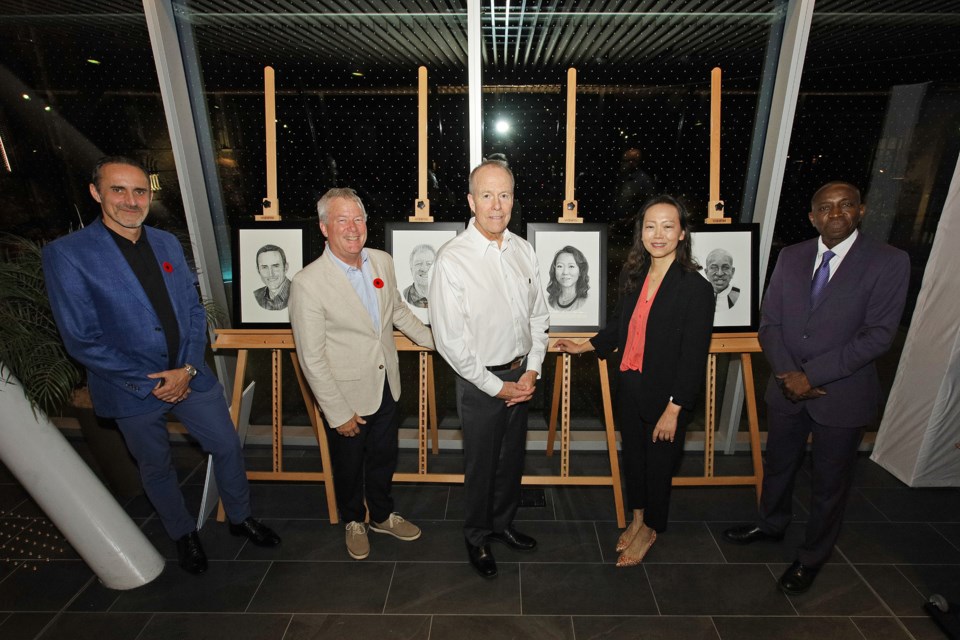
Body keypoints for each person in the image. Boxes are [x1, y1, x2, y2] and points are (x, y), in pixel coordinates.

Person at [43, 156, 281, 575]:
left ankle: (241, 519)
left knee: (226, 445)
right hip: (131, 388)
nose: (131, 201)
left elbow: (192, 311)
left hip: (189, 375)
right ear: (96, 192)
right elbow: (81, 338)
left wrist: (187, 369)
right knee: (156, 465)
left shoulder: (167, 243)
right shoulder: (68, 255)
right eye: (118, 190)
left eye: (140, 191)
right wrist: (148, 381)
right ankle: (183, 534)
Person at [723, 181, 909, 595]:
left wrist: (813, 375)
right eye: (826, 208)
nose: (836, 214)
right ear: (813, 216)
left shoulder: (888, 261)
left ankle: (811, 558)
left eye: (846, 206)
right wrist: (789, 374)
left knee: (829, 483)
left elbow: (878, 335)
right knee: (779, 465)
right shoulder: (792, 256)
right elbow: (769, 323)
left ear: (860, 211)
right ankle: (771, 524)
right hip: (786, 389)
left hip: (840, 395)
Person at [555, 194, 713, 567]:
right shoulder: (634, 274)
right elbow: (621, 326)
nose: (658, 234)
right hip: (631, 384)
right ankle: (638, 518)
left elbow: (693, 358)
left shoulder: (696, 288)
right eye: (650, 226)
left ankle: (652, 528)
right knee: (636, 461)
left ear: (682, 233)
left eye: (668, 226)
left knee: (659, 468)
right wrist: (585, 346)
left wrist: (675, 409)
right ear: (641, 232)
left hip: (667, 398)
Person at [289, 188, 434, 561]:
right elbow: (312, 357)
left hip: (387, 384)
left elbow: (397, 312)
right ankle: (354, 520)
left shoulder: (382, 262)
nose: (353, 228)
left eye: (358, 218)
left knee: (384, 457)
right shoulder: (308, 283)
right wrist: (337, 412)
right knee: (349, 465)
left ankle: (382, 515)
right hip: (346, 396)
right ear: (324, 227)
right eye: (342, 220)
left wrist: (437, 342)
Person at [429, 159, 549, 579]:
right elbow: (450, 342)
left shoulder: (523, 249)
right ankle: (477, 537)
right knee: (481, 465)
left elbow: (538, 316)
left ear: (514, 199)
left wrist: (532, 369)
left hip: (521, 375)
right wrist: (497, 387)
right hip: (480, 382)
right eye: (486, 195)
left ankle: (502, 524)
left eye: (505, 194)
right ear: (470, 201)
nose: (496, 205)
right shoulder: (452, 261)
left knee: (510, 460)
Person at [546, 245, 590, 312]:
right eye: (560, 266)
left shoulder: (586, 301)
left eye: (571, 266)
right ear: (554, 270)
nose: (565, 272)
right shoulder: (549, 301)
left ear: (581, 271)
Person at [252, 244, 291, 310]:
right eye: (264, 267)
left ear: (286, 267)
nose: (271, 274)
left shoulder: (298, 292)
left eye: (275, 266)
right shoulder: (256, 295)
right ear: (258, 270)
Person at [403, 243, 435, 308]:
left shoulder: (446, 294)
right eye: (419, 263)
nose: (424, 269)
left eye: (429, 264)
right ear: (411, 269)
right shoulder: (403, 296)